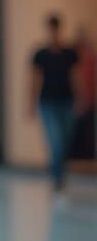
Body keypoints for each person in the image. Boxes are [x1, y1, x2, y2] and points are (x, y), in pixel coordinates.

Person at [27, 13, 81, 201]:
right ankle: (57, 179)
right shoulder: (40, 55)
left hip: (67, 101)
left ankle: (60, 175)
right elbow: (34, 80)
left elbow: (76, 77)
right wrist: (31, 103)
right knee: (56, 141)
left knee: (64, 141)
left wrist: (80, 99)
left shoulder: (70, 54)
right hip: (47, 103)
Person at [70, 25, 95, 164]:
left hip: (89, 101)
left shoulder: (91, 58)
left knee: (87, 133)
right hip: (75, 102)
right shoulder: (73, 58)